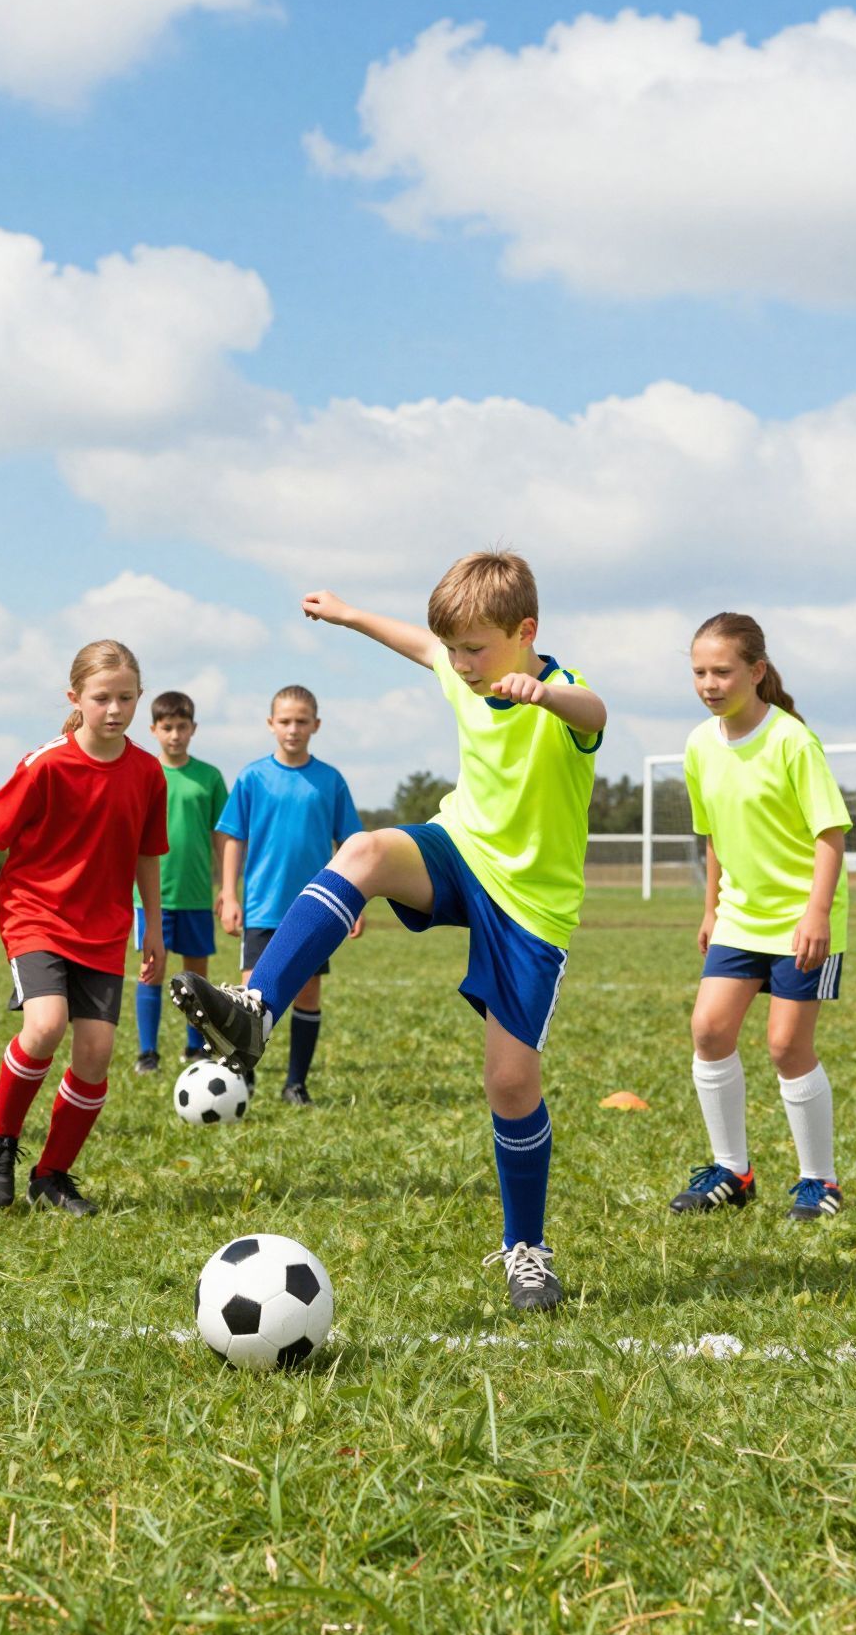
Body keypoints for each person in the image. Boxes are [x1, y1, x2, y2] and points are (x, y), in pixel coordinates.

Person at [173, 553, 606, 1310]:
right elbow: (418, 643)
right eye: (457, 650)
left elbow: (595, 714)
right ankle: (256, 1009)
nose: (462, 665)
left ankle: (526, 1250)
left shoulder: (559, 695)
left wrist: (544, 696)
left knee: (508, 1082)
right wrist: (346, 613)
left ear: (525, 632)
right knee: (364, 849)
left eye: (477, 649)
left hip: (529, 904)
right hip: (460, 849)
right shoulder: (459, 663)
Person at [0, 640, 167, 1214]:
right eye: (102, 697)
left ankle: (53, 1175)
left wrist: (152, 927)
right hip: (36, 914)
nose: (114, 709)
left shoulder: (147, 773)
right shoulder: (47, 764)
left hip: (105, 927)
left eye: (126, 698)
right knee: (45, 1025)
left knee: (97, 1050)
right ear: (75, 698)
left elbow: (146, 855)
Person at [670, 612, 849, 1223]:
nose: (710, 683)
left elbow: (831, 835)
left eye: (722, 671)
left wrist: (818, 914)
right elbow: (713, 835)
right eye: (699, 671)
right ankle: (733, 1171)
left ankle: (819, 1183)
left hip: (804, 918)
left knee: (785, 1046)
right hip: (740, 919)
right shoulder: (698, 744)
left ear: (757, 671)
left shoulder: (792, 740)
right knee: (710, 1031)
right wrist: (710, 908)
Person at [216, 685, 364, 1106]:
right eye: (285, 721)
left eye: (302, 721)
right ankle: (241, 1080)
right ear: (271, 724)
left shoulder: (330, 780)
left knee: (308, 993)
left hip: (315, 912)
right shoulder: (252, 777)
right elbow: (233, 838)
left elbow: (352, 843)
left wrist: (356, 901)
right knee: (250, 999)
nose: (293, 729)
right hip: (262, 907)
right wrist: (228, 894)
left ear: (316, 725)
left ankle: (295, 1083)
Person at [132, 691, 228, 1076]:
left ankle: (196, 1047)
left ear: (193, 729)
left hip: (195, 896)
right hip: (151, 897)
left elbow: (224, 835)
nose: (175, 735)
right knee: (151, 971)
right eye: (167, 727)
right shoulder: (144, 773)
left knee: (195, 977)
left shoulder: (209, 777)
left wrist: (225, 885)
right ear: (154, 729)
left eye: (182, 727)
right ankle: (147, 1053)